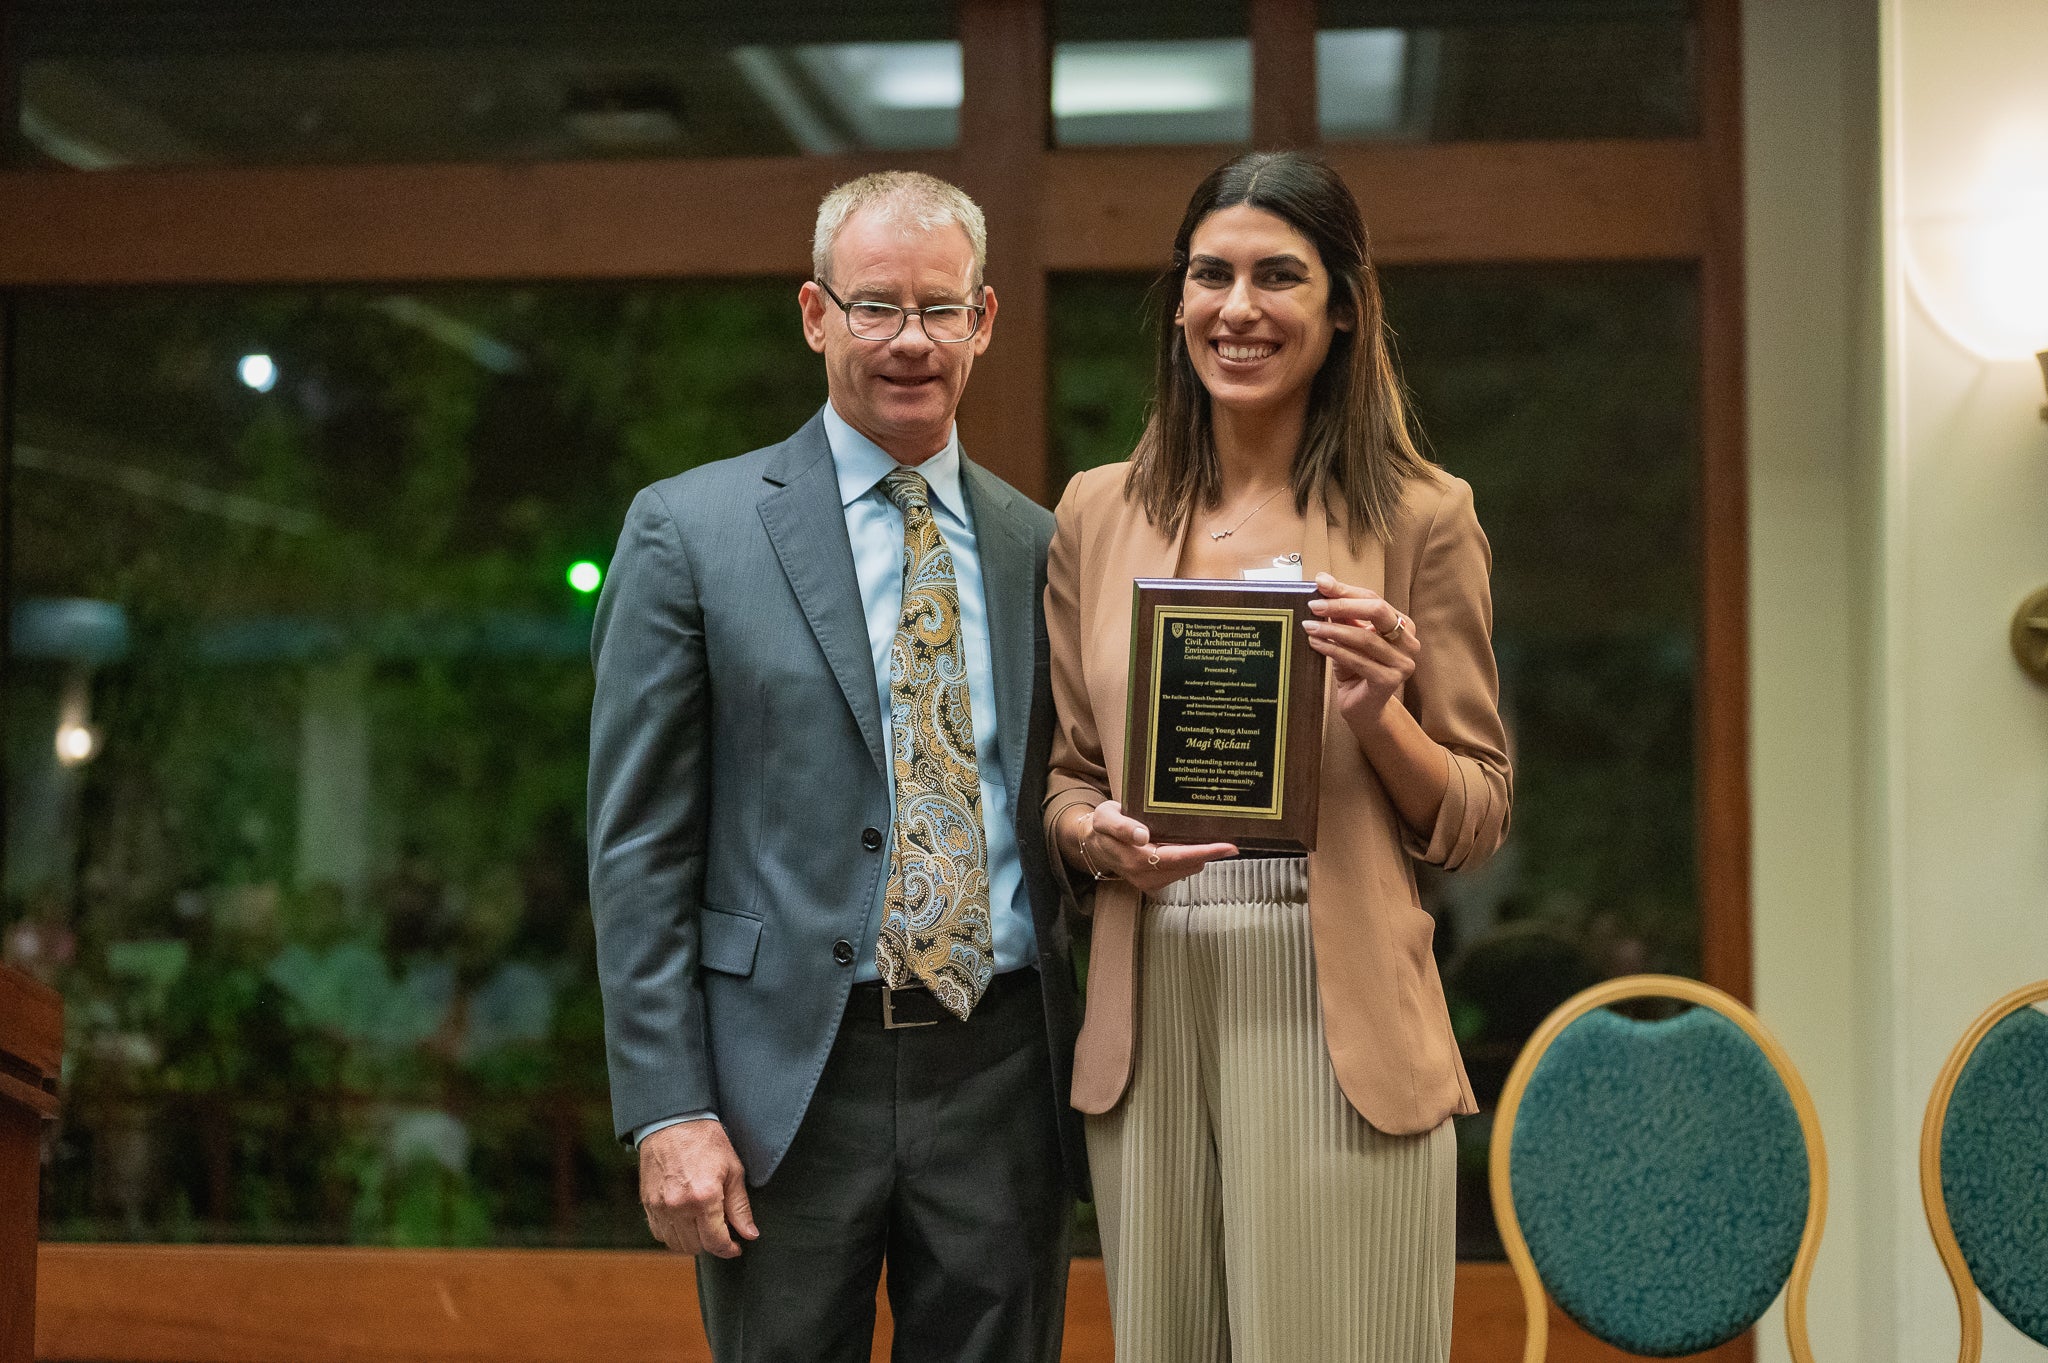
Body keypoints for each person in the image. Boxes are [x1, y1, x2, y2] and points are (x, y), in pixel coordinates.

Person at [588, 170, 1085, 1363]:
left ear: (983, 321)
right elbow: (637, 848)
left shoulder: (1043, 545)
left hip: (1002, 1069)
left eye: (936, 308)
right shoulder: (689, 531)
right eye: (874, 307)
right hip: (784, 1085)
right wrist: (667, 1104)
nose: (907, 341)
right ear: (816, 315)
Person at [1041, 150, 1513, 1362]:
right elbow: (1067, 776)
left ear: (1341, 304)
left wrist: (1376, 711)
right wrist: (1089, 835)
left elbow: (1474, 810)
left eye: (1275, 276)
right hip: (1147, 1007)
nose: (1235, 308)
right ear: (1178, 299)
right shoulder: (1094, 511)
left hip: (1329, 1002)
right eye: (1209, 275)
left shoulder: (1421, 513)